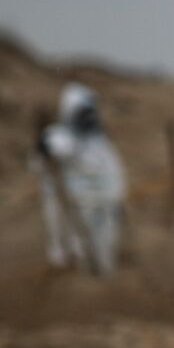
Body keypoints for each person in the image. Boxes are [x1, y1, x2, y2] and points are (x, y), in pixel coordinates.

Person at [33, 83, 127, 275]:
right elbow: (55, 150)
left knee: (101, 243)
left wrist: (116, 197)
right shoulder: (61, 135)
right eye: (83, 112)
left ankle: (99, 269)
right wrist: (44, 147)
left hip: (100, 202)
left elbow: (112, 171)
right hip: (73, 200)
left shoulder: (99, 140)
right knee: (71, 235)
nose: (89, 116)